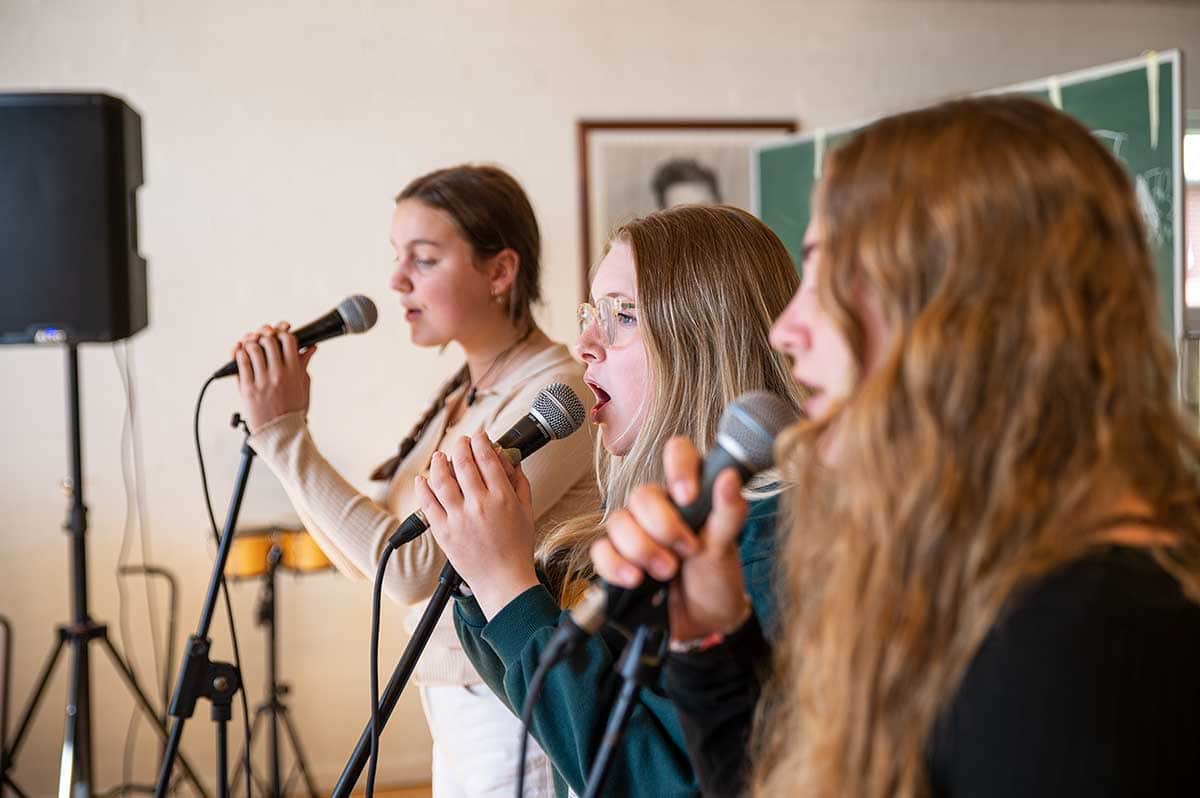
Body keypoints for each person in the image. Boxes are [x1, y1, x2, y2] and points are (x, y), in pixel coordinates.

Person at [594, 95, 1200, 797]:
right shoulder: (954, 563)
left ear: (970, 308)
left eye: (833, 275)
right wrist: (711, 638)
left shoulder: (1088, 638)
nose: (787, 329)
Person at [412, 204, 805, 796]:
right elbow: (549, 704)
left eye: (623, 316)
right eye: (591, 313)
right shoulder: (663, 525)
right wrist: (481, 573)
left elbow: (654, 781)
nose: (586, 342)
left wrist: (507, 587)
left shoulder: (766, 545)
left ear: (704, 342)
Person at [229, 164, 597, 796]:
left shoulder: (552, 395)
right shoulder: (466, 391)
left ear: (500, 272)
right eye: (397, 257)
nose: (396, 280)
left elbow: (410, 568)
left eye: (423, 260)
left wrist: (285, 437)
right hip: (459, 701)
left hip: (509, 705)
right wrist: (278, 435)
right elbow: (376, 565)